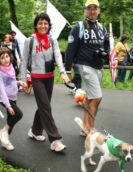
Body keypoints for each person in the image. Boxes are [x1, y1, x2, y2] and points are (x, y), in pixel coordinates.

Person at [21, 13, 70, 152]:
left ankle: (35, 131)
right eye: (40, 23)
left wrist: (62, 72)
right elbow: (24, 61)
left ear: (49, 25)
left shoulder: (53, 40)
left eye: (45, 23)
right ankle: (55, 139)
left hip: (49, 77)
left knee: (44, 106)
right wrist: (24, 80)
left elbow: (58, 56)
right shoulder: (29, 41)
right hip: (36, 77)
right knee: (46, 107)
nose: (43, 26)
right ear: (36, 25)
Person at [65, 0, 111, 135]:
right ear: (84, 11)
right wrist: (67, 70)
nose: (92, 11)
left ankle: (84, 128)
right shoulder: (78, 27)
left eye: (94, 8)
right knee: (97, 98)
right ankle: (91, 129)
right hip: (84, 66)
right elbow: (70, 50)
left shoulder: (102, 28)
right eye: (89, 8)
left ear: (99, 11)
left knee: (91, 98)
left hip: (98, 67)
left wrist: (106, 53)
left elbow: (107, 46)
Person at [0, 47, 24, 150]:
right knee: (18, 115)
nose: (6, 59)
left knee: (10, 119)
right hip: (6, 99)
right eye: (2, 58)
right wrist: (8, 106)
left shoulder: (10, 67)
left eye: (7, 56)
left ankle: (5, 141)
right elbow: (2, 91)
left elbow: (11, 82)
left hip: (13, 97)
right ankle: (2, 132)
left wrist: (19, 83)